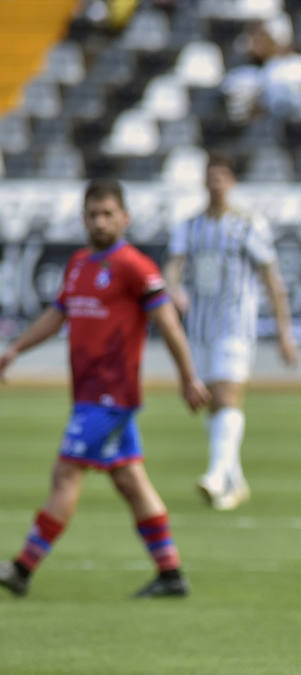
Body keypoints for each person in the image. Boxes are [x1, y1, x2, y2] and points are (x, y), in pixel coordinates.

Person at [0, 179, 209, 599]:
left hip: (111, 395)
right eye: (93, 214)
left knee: (66, 473)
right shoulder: (79, 263)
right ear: (83, 218)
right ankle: (171, 575)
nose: (100, 222)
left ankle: (22, 568)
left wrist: (188, 377)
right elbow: (58, 314)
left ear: (124, 218)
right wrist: (16, 348)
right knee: (130, 479)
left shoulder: (135, 266)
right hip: (89, 392)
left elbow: (167, 323)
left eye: (108, 214)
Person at [164, 153, 296, 512]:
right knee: (212, 402)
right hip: (200, 326)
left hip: (235, 323)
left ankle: (216, 474)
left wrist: (285, 330)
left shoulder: (248, 225)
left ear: (232, 181)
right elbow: (174, 266)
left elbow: (271, 277)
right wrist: (173, 289)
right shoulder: (189, 225)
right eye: (211, 176)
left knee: (226, 394)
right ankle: (233, 481)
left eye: (222, 176)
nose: (216, 183)